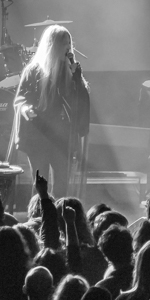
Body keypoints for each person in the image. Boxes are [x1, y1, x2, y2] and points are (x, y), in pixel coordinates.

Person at [12, 25, 90, 196]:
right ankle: (38, 217)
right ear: (52, 46)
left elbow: (81, 101)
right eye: (63, 44)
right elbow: (20, 99)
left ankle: (60, 218)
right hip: (38, 135)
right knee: (41, 183)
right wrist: (26, 109)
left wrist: (78, 78)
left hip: (62, 136)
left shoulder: (71, 72)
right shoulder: (33, 71)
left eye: (69, 43)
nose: (68, 48)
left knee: (62, 184)